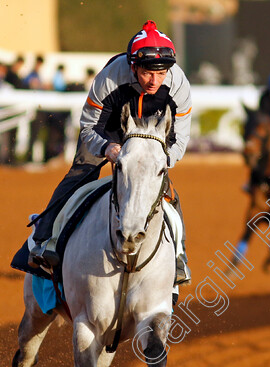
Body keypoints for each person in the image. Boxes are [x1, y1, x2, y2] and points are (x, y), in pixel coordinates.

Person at [28, 20, 192, 285]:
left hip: (150, 135)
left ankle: (179, 258)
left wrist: (163, 161)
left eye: (161, 74)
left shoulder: (178, 84)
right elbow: (88, 125)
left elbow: (181, 137)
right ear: (133, 65)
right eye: (148, 72)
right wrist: (106, 147)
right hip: (108, 129)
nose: (155, 81)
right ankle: (45, 240)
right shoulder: (109, 78)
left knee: (167, 190)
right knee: (82, 173)